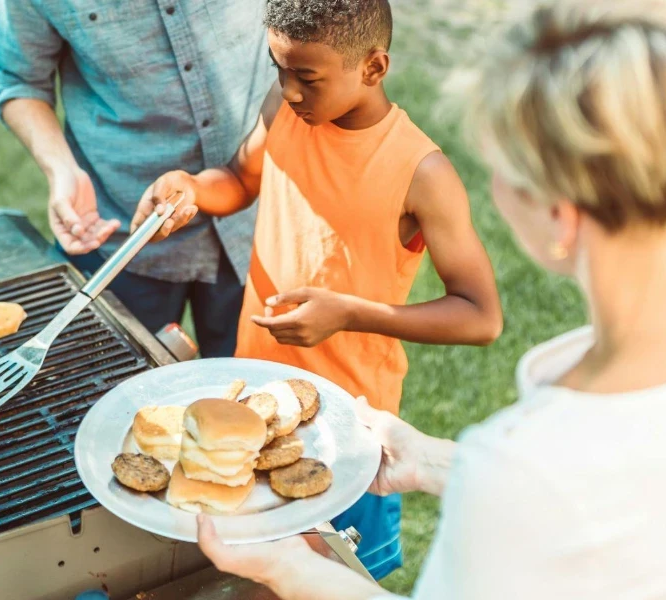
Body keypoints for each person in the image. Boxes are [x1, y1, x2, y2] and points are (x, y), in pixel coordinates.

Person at [192, 0, 666, 597]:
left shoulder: (516, 469)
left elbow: (532, 481)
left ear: (558, 217)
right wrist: (438, 463)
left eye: (500, 167)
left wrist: (286, 569)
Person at [133, 0, 503, 580]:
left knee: (338, 577)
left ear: (374, 68)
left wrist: (350, 314)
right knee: (254, 575)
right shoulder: (283, 109)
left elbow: (480, 316)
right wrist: (191, 189)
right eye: (279, 68)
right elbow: (237, 180)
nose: (290, 90)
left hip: (353, 426)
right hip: (257, 396)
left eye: (307, 77)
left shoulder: (421, 172)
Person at [0, 1, 275, 358]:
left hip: (262, 217)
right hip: (120, 231)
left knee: (251, 397)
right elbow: (14, 76)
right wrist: (62, 170)